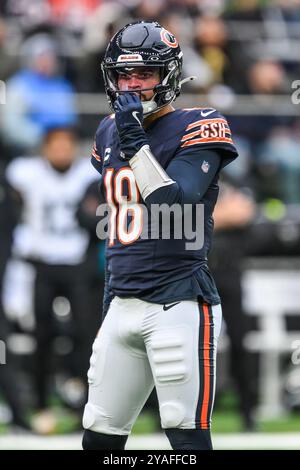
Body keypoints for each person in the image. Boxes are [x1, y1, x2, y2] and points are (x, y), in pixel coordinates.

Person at [82, 20, 238, 451]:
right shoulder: (107, 131)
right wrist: (113, 290)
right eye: (123, 75)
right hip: (123, 299)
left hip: (178, 300)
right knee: (99, 436)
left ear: (169, 75)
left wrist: (135, 140)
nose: (132, 86)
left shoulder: (201, 123)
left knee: (184, 434)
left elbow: (175, 204)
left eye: (145, 75)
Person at [5, 127, 98, 430]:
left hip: (76, 263)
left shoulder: (87, 174)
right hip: (40, 263)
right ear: (44, 149)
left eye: (66, 145)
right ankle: (42, 404)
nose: (61, 151)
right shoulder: (26, 172)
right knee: (41, 337)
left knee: (85, 337)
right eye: (55, 145)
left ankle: (87, 407)